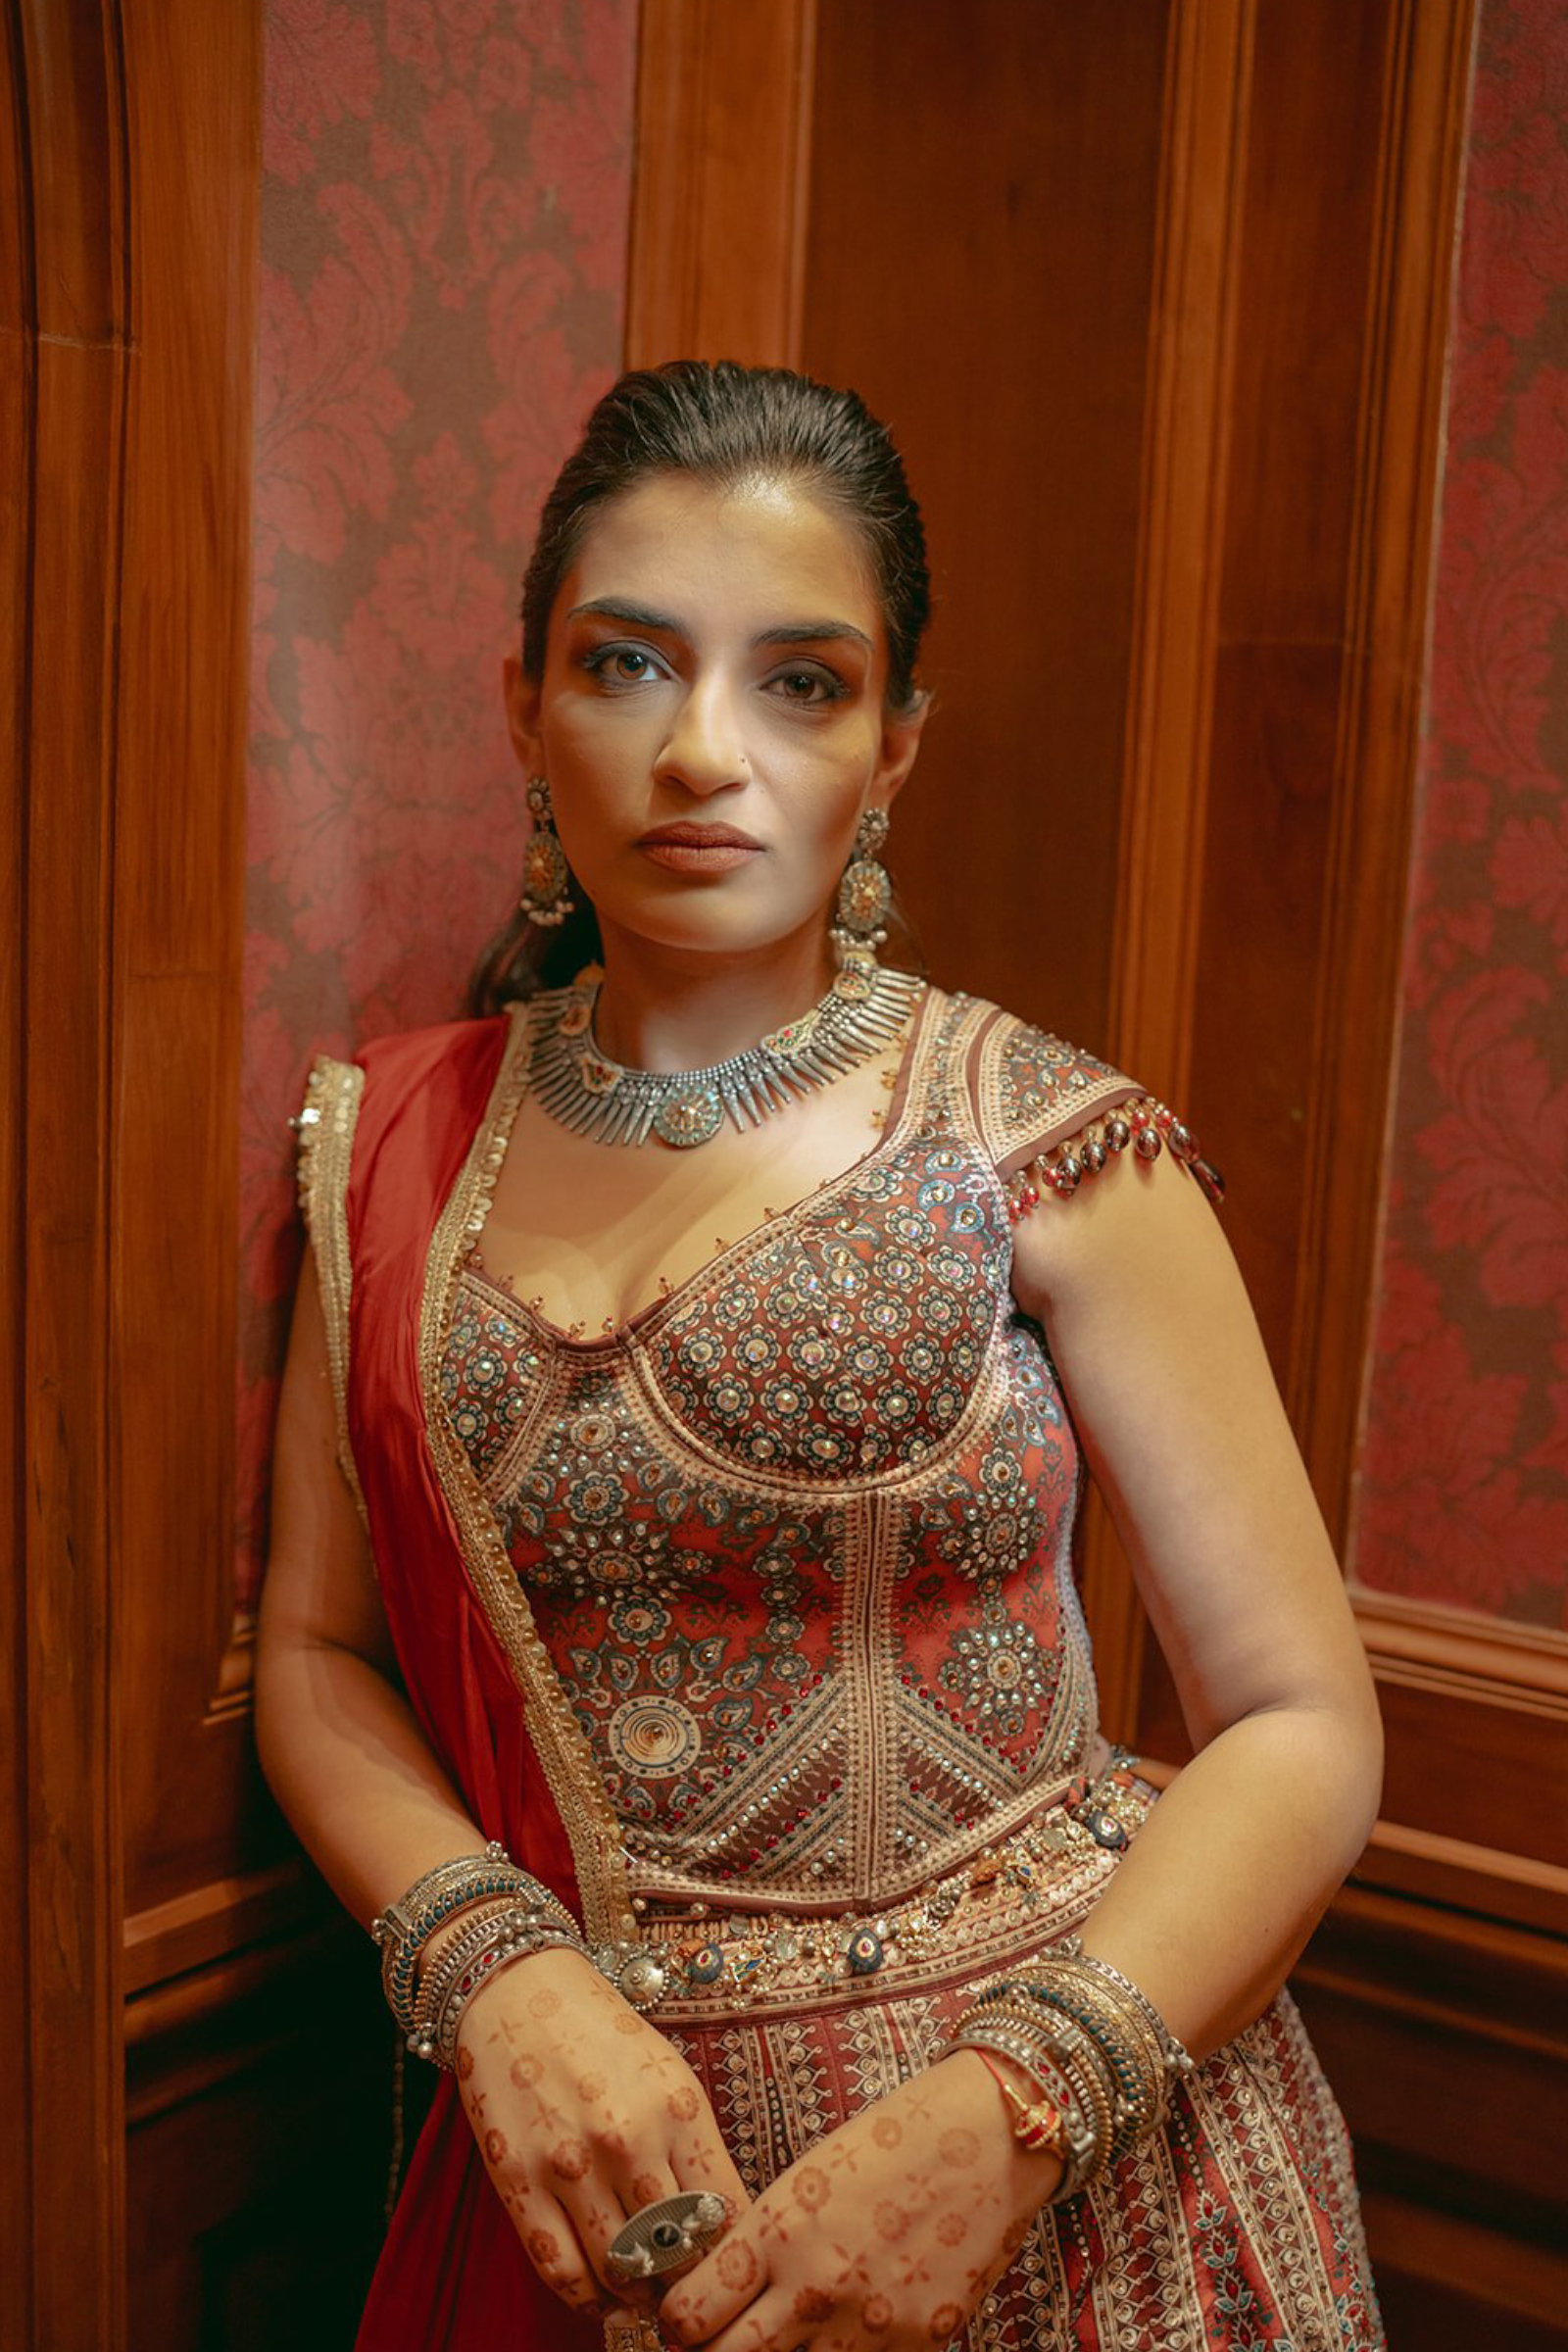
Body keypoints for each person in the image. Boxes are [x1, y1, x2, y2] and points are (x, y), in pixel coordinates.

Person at [256, 360, 1386, 2352]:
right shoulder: (390, 1149)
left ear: (893, 750)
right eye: (625, 664)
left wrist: (1012, 2113)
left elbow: (1301, 1723)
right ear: (522, 708)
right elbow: (317, 1651)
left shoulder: (1038, 1144)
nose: (702, 750)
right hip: (606, 2170)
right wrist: (497, 1974)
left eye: (799, 682)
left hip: (1063, 2178)